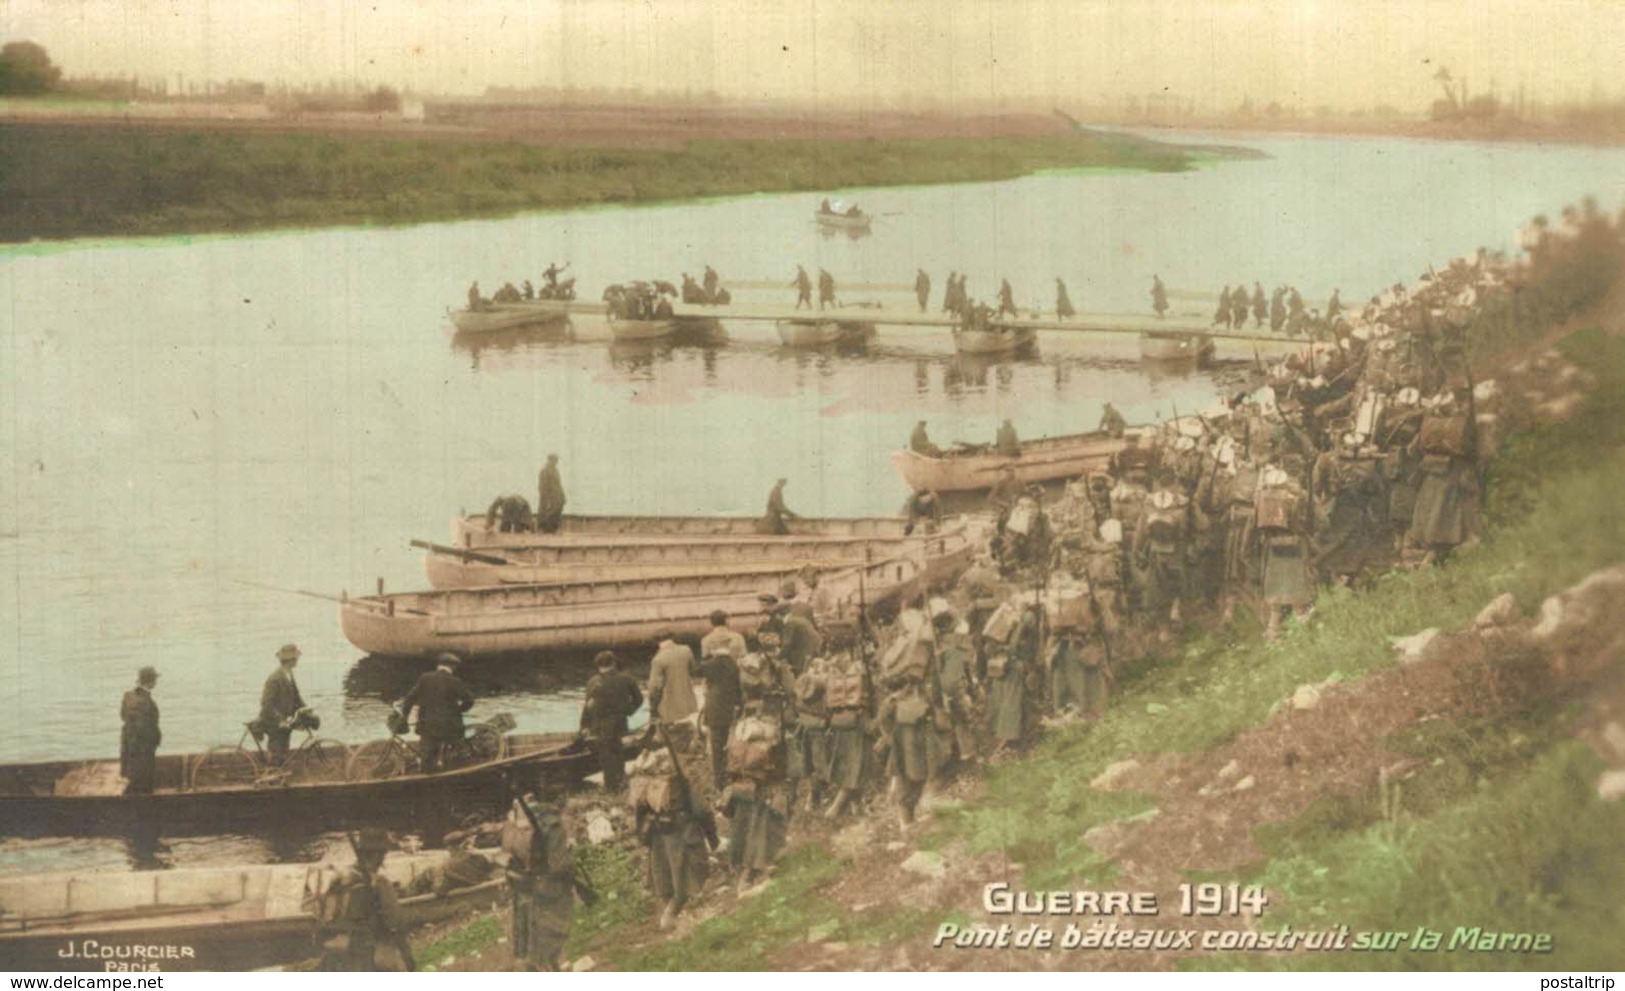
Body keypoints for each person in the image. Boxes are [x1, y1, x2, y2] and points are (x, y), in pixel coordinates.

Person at [634, 740, 718, 930]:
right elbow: (700, 810)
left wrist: (643, 837)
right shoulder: (680, 783)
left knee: (664, 876)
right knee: (686, 875)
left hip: (658, 835)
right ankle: (671, 916)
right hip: (681, 832)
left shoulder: (646, 784)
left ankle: (669, 914)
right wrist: (712, 835)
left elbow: (639, 815)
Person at [316, 829, 413, 971]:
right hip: (369, 953)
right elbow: (395, 923)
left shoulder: (339, 878)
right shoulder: (381, 884)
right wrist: (406, 955)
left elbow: (322, 918)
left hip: (335, 951)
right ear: (379, 855)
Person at [505, 789, 576, 971]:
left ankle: (541, 964)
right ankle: (553, 963)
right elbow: (559, 864)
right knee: (551, 928)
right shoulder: (552, 827)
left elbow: (510, 859)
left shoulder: (514, 831)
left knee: (532, 929)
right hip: (547, 886)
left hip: (527, 887)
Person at [401, 653, 475, 773]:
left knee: (427, 757)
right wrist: (458, 711)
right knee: (455, 748)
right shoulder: (455, 681)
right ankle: (454, 767)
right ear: (453, 667)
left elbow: (409, 699)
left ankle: (428, 776)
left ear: (438, 666)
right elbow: (469, 701)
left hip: (427, 724)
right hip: (449, 724)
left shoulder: (425, 678)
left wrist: (405, 715)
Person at [581, 651, 643, 791]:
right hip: (620, 722)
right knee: (618, 752)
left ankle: (611, 787)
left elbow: (588, 706)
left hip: (600, 725)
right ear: (613, 663)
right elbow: (639, 699)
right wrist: (629, 711)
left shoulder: (594, 682)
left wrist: (584, 726)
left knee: (606, 757)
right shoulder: (626, 679)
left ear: (598, 666)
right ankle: (621, 783)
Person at [698, 618, 744, 790]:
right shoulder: (733, 664)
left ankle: (719, 780)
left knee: (716, 745)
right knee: (729, 742)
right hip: (730, 706)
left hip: (715, 707)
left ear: (714, 647)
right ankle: (730, 773)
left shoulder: (711, 663)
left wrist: (707, 657)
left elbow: (696, 670)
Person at [259, 644, 306, 766]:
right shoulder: (275, 679)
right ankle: (270, 775)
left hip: (285, 720)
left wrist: (304, 708)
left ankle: (278, 772)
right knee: (276, 750)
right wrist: (280, 720)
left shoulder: (289, 674)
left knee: (284, 747)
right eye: (296, 658)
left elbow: (296, 696)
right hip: (273, 721)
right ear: (290, 660)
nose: (297, 660)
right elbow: (266, 704)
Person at [120, 667, 161, 795]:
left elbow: (122, 716)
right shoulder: (147, 702)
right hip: (143, 749)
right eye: (154, 679)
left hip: (128, 747)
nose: (156, 682)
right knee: (145, 784)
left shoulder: (128, 696)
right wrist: (156, 740)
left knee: (133, 780)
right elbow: (146, 728)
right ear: (151, 682)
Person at [648, 638, 698, 724]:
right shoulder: (686, 650)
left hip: (668, 707)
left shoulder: (658, 659)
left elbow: (655, 687)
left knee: (667, 733)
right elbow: (694, 670)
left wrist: (653, 709)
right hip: (687, 703)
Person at [536, 454, 566, 533]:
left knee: (556, 511)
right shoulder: (544, 470)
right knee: (546, 511)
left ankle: (553, 528)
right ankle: (543, 528)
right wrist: (546, 497)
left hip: (556, 495)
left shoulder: (556, 471)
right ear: (549, 460)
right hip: (548, 495)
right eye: (554, 460)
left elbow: (559, 484)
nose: (555, 462)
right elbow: (542, 485)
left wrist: (562, 495)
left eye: (556, 460)